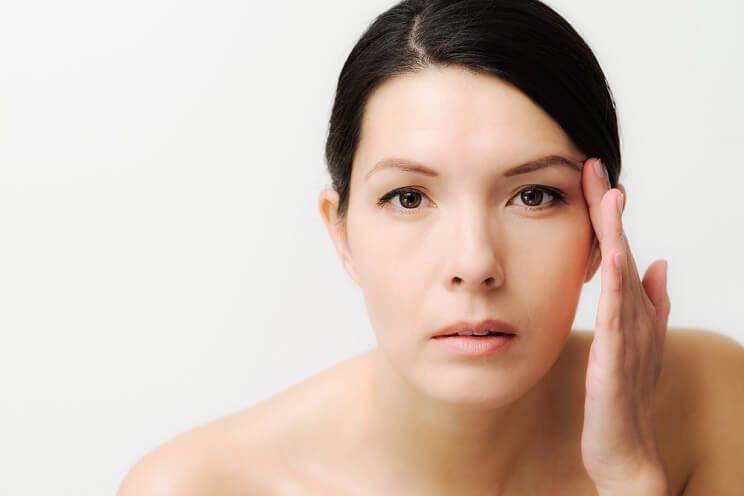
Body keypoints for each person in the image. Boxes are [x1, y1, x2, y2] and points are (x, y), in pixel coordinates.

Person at [117, 1, 744, 494]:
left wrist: (631, 478)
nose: (474, 264)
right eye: (409, 198)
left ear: (599, 234)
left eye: (532, 196)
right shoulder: (197, 488)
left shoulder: (711, 400)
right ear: (341, 234)